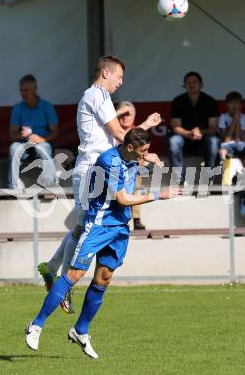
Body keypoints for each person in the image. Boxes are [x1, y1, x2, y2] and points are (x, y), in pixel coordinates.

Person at [25, 128, 180, 358]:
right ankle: (35, 325)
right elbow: (123, 199)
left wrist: (146, 159)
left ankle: (80, 331)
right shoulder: (109, 161)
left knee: (104, 278)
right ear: (129, 148)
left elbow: (134, 166)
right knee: (74, 274)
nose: (146, 153)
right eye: (143, 150)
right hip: (98, 224)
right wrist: (159, 194)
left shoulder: (129, 157)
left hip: (119, 227)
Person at [37, 55, 162, 313]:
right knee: (84, 228)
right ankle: (60, 279)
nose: (121, 82)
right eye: (119, 76)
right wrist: (144, 144)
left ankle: (51, 269)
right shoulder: (97, 95)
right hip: (90, 170)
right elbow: (119, 134)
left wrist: (144, 130)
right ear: (106, 72)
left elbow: (119, 138)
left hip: (102, 169)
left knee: (84, 226)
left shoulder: (100, 97)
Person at [168, 71, 220, 184]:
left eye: (194, 82)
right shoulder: (178, 101)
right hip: (184, 138)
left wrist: (199, 132)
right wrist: (189, 133)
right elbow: (175, 126)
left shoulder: (210, 101)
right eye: (188, 82)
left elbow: (213, 127)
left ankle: (208, 180)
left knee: (214, 141)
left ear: (201, 84)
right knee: (173, 140)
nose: (191, 84)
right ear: (184, 85)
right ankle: (179, 181)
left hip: (204, 139)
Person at [7, 74, 58, 189]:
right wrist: (21, 134)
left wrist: (42, 139)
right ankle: (13, 185)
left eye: (26, 90)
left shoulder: (47, 106)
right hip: (24, 143)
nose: (23, 93)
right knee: (13, 147)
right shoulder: (18, 108)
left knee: (44, 147)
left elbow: (55, 132)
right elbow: (12, 135)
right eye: (21, 90)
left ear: (35, 89)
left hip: (42, 142)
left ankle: (49, 184)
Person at [116, 101, 148, 230]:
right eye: (122, 114)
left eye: (128, 114)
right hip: (113, 169)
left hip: (133, 170)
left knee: (137, 179)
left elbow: (144, 155)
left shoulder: (139, 133)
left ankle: (136, 219)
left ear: (134, 116)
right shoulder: (110, 130)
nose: (125, 117)